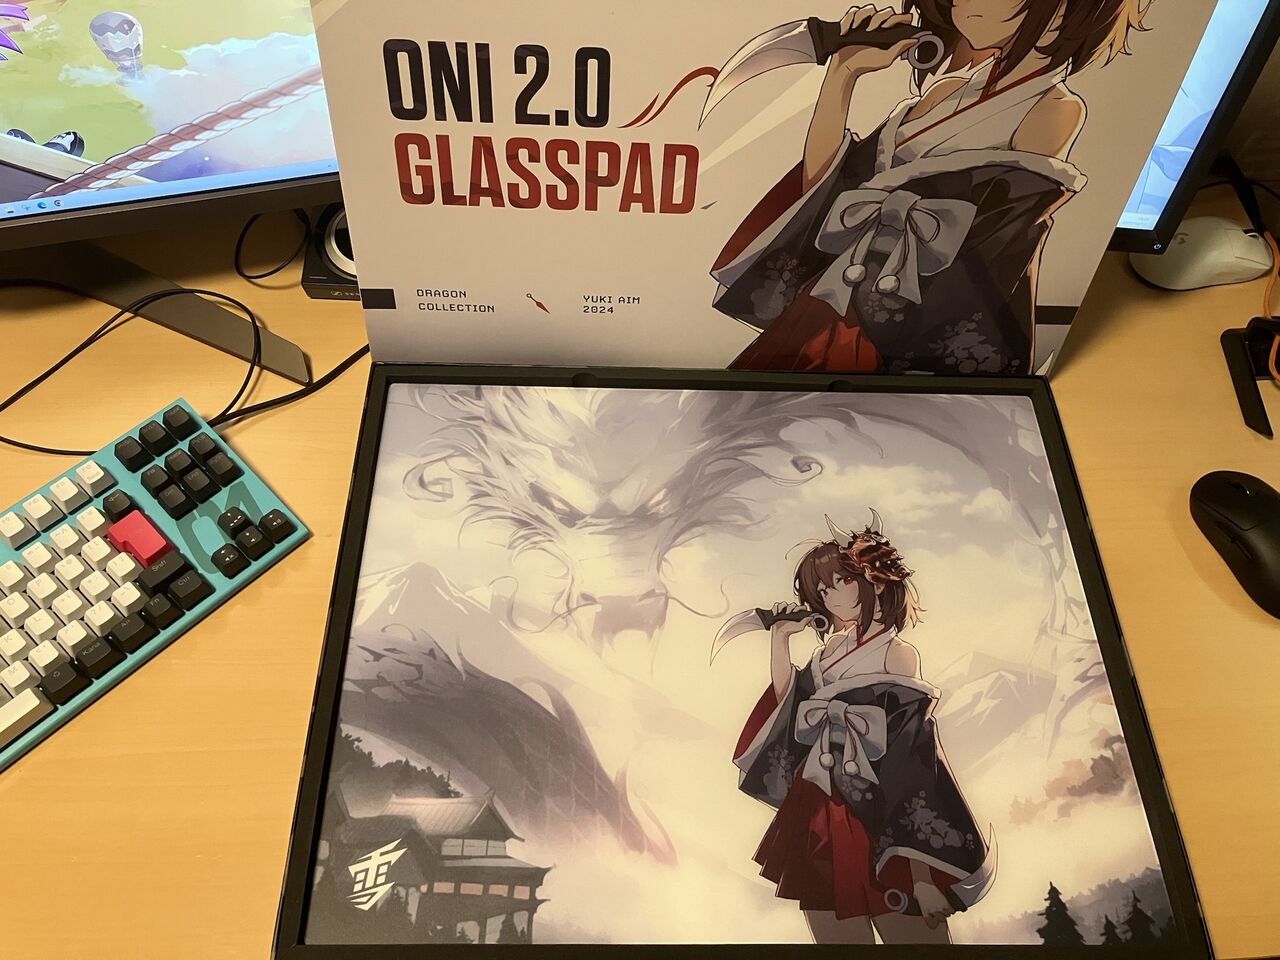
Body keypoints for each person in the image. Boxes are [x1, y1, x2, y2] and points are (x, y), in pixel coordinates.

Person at [710, 0, 1149, 375]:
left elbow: (997, 243)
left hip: (906, 317)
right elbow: (824, 192)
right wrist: (844, 73)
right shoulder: (946, 91)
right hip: (830, 298)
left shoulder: (1054, 109)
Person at [730, 516, 992, 944]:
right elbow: (789, 706)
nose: (831, 596)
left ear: (875, 581)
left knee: (909, 932)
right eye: (823, 590)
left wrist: (922, 876)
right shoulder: (830, 649)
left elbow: (913, 760)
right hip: (818, 802)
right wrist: (780, 639)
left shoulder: (897, 654)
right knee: (833, 930)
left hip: (878, 808)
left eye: (840, 581)